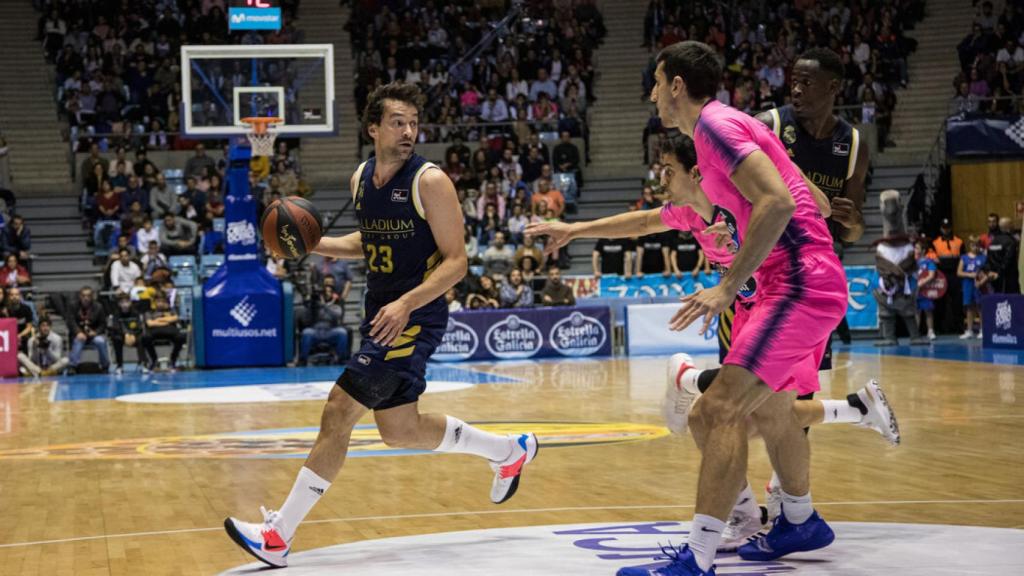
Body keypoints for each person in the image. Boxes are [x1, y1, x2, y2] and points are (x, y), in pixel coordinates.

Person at [528, 131, 897, 560]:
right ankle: (837, 438)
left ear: (697, 172)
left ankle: (756, 509)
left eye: (669, 170)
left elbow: (812, 206)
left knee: (731, 415)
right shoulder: (691, 215)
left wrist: (765, 195)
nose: (661, 178)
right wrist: (576, 229)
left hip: (787, 304)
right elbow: (644, 222)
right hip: (747, 311)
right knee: (756, 414)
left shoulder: (743, 197)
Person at [224, 82, 538, 568]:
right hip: (382, 312)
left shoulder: (430, 181)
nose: (408, 130)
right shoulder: (361, 178)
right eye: (397, 122)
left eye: (413, 122)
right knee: (399, 429)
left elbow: (457, 262)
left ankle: (278, 536)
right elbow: (366, 244)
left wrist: (407, 304)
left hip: (414, 315)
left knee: (339, 410)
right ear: (373, 128)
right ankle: (507, 451)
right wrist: (312, 243)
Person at [626, 42, 847, 574]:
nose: (653, 93)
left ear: (677, 85)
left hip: (796, 283)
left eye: (657, 83)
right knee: (770, 410)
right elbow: (812, 200)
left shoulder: (714, 129)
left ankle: (698, 559)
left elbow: (780, 202)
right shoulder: (739, 125)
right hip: (803, 279)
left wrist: (729, 284)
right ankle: (800, 520)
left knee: (714, 411)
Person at [758, 48, 868, 348]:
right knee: (749, 377)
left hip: (814, 274)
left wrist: (854, 220)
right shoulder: (769, 126)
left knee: (803, 384)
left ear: (833, 88)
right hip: (764, 269)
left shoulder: (854, 143)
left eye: (806, 83)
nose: (795, 89)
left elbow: (852, 234)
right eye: (794, 81)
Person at [299, 283, 349, 365]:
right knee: (306, 332)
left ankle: (342, 359)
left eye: (329, 292)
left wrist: (324, 306)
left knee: (342, 332)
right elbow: (306, 318)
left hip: (330, 331)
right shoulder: (314, 305)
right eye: (325, 292)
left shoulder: (336, 305)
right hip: (315, 331)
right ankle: (302, 360)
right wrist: (312, 305)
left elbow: (336, 316)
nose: (327, 294)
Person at [68, 286, 110, 374]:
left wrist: (96, 332)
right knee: (78, 341)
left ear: (92, 296)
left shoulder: (99, 307)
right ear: (80, 296)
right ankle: (73, 366)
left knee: (101, 341)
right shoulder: (73, 306)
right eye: (83, 296)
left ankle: (105, 366)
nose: (86, 298)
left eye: (88, 296)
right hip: (79, 335)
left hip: (93, 335)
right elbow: (70, 322)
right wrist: (78, 332)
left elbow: (103, 324)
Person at [141, 294, 186, 372]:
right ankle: (154, 359)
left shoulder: (171, 310)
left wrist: (158, 320)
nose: (160, 303)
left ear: (165, 302)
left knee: (181, 337)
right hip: (154, 331)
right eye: (158, 301)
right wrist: (167, 321)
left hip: (171, 331)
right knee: (145, 338)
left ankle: (173, 359)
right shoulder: (149, 311)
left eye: (162, 301)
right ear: (155, 302)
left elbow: (175, 318)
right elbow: (150, 324)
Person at [108, 293, 144, 375]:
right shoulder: (116, 314)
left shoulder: (136, 313)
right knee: (116, 339)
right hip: (121, 335)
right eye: (122, 302)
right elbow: (115, 327)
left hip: (134, 335)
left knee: (142, 338)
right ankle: (120, 366)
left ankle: (143, 364)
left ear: (130, 302)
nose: (125, 304)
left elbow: (140, 327)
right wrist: (125, 334)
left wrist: (133, 335)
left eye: (127, 302)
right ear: (119, 304)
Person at [958, 237, 986, 339]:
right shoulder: (964, 257)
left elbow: (986, 271)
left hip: (979, 285)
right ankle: (969, 330)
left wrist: (981, 276)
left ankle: (982, 330)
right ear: (970, 246)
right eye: (973, 245)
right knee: (969, 307)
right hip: (967, 284)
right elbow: (959, 272)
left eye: (977, 245)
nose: (975, 247)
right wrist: (969, 275)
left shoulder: (983, 257)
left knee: (980, 307)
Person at [915, 239, 938, 340]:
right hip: (915, 291)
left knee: (928, 311)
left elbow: (931, 275)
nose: (914, 249)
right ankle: (916, 332)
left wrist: (921, 283)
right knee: (916, 311)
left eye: (917, 248)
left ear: (923, 250)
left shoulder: (929, 262)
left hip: (926, 291)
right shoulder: (913, 262)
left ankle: (930, 331)